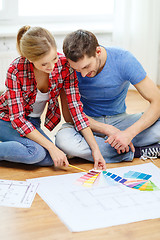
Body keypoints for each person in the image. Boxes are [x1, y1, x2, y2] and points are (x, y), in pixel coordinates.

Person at [0, 26, 106, 170]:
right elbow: (18, 119)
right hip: (6, 119)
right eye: (44, 64)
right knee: (36, 153)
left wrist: (95, 150)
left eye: (54, 58)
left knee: (52, 158)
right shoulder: (16, 69)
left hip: (33, 122)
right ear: (30, 59)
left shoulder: (64, 66)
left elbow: (76, 111)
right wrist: (51, 146)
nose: (51, 66)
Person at [55, 29, 160, 163]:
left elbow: (157, 100)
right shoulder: (66, 68)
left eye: (87, 66)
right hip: (87, 125)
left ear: (98, 52)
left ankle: (108, 146)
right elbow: (70, 116)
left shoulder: (123, 59)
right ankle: (137, 151)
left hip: (121, 122)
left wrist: (129, 133)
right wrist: (107, 129)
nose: (82, 74)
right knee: (63, 140)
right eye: (77, 70)